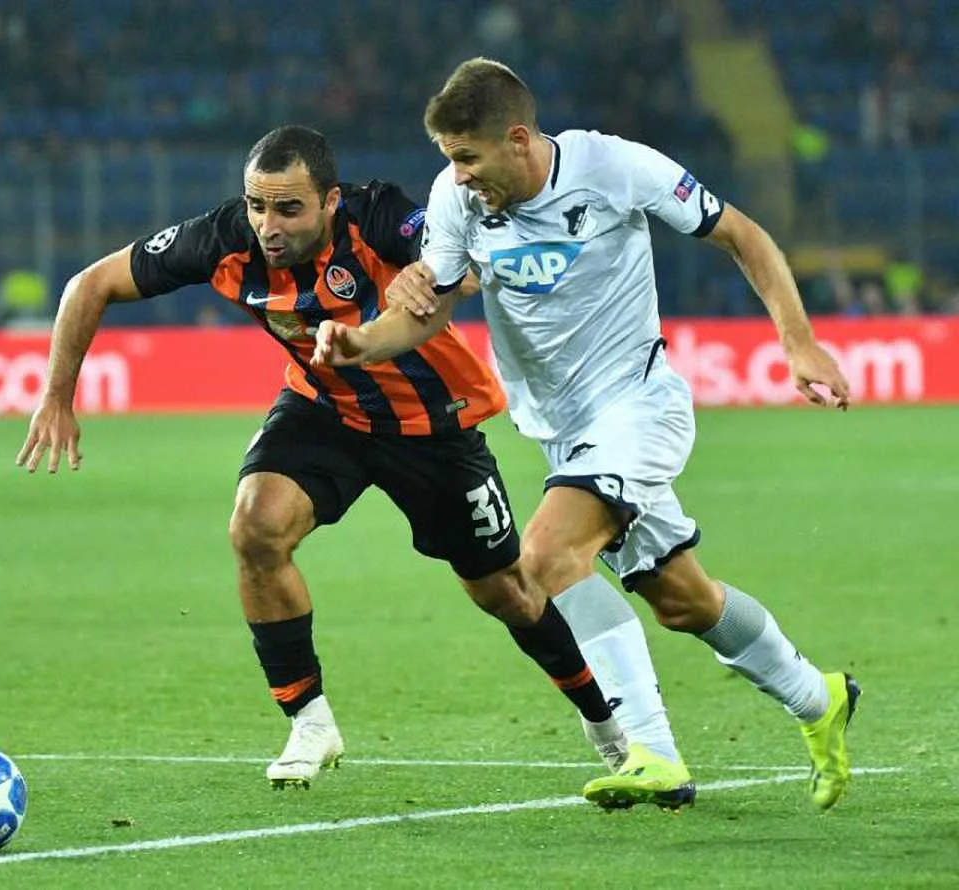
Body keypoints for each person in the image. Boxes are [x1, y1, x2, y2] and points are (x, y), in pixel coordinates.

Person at [15, 125, 661, 797]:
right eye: (257, 206)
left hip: (432, 423)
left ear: (329, 202)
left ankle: (606, 725)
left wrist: (435, 271)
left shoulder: (377, 215)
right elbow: (90, 284)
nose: (268, 225)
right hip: (326, 409)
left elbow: (458, 259)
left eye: (288, 208)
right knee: (255, 527)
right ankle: (310, 721)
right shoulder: (222, 239)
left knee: (507, 591)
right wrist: (57, 397)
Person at [312, 59, 861, 811]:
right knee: (684, 601)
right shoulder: (456, 197)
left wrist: (798, 343)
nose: (459, 174)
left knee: (544, 555)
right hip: (563, 436)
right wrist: (362, 343)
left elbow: (744, 235)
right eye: (449, 158)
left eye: (468, 157)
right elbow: (429, 305)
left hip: (639, 408)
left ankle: (652, 752)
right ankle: (819, 698)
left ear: (517, 140)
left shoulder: (614, 167)